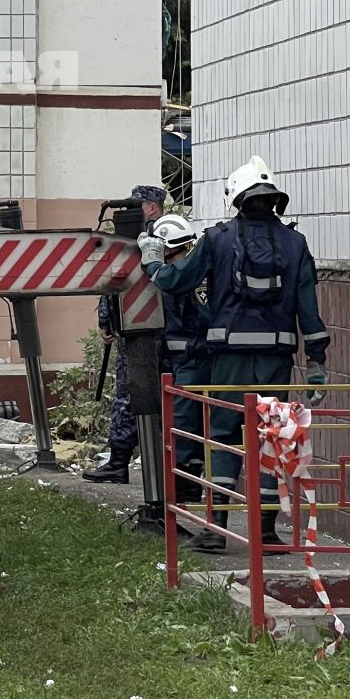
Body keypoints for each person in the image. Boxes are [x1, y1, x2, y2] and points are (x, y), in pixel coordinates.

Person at [141, 156, 330, 552]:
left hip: (227, 358)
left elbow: (178, 281)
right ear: (273, 199)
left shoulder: (218, 238)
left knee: (221, 438)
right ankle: (264, 530)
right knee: (267, 437)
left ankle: (215, 529)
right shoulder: (296, 244)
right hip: (277, 358)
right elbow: (309, 308)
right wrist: (316, 361)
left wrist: (153, 260)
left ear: (237, 198)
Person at [82, 184, 167, 484]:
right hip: (156, 332)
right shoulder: (160, 237)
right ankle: (151, 465)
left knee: (129, 396)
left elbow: (118, 281)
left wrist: (108, 320)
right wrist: (107, 321)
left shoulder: (142, 240)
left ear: (152, 208)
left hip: (143, 332)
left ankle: (120, 462)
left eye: (137, 205)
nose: (130, 211)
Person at [151, 213, 209, 508]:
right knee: (183, 425)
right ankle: (184, 488)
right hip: (179, 362)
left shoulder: (192, 278)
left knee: (186, 425)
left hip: (194, 362)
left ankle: (187, 491)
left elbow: (204, 320)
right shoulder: (177, 272)